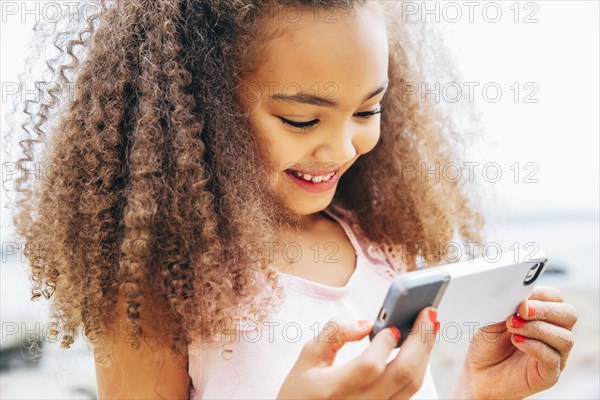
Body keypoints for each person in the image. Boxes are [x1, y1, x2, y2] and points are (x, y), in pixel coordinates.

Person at [8, 0, 577, 399]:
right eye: (302, 119)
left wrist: (479, 392)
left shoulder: (378, 245)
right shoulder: (161, 282)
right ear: (200, 109)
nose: (341, 146)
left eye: (367, 111)